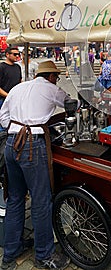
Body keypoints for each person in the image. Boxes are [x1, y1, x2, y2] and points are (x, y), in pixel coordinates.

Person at [0, 61, 71, 270]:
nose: (56, 80)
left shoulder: (18, 88)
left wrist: (18, 127)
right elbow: (69, 102)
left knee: (15, 199)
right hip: (31, 145)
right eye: (56, 77)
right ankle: (44, 255)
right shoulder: (50, 88)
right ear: (50, 76)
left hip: (11, 144)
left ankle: (10, 254)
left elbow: (3, 117)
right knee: (41, 201)